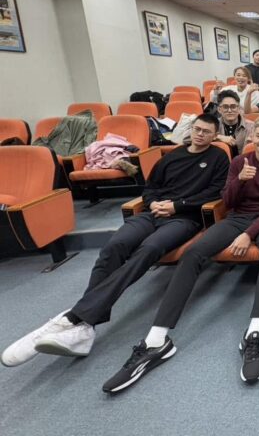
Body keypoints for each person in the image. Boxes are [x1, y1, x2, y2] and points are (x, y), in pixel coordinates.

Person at [1, 114, 229, 368]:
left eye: (206, 131)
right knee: (115, 246)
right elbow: (150, 187)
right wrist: (154, 202)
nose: (200, 134)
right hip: (152, 213)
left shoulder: (218, 157)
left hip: (184, 218)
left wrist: (177, 205)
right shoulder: (172, 156)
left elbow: (216, 192)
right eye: (197, 129)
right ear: (191, 129)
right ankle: (85, 327)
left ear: (214, 135)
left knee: (149, 249)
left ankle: (75, 317)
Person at [100, 117, 259, 392]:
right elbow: (227, 201)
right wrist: (240, 181)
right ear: (252, 138)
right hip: (237, 217)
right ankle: (157, 339)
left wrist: (248, 234)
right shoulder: (240, 162)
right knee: (193, 253)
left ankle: (254, 332)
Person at [215, 90, 254, 157]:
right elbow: (196, 137)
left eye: (233, 106)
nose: (229, 110)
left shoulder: (252, 126)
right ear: (219, 109)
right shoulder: (213, 124)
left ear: (239, 108)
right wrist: (218, 137)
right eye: (225, 107)